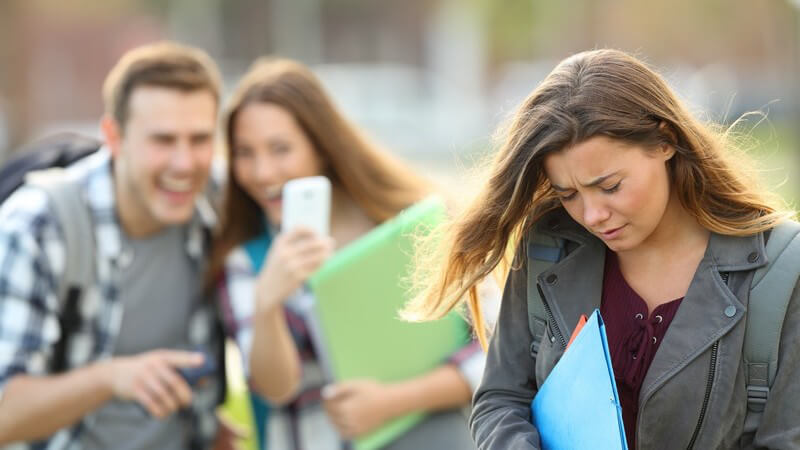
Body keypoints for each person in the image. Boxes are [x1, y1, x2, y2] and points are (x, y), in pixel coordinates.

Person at [403, 49, 800, 449]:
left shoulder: (784, 270)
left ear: (665, 140)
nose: (592, 214)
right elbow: (502, 398)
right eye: (569, 194)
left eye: (610, 187)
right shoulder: (547, 247)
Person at [207, 58, 484, 450]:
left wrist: (388, 403)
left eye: (280, 149)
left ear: (321, 147)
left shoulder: (408, 226)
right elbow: (274, 388)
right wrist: (268, 302)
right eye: (244, 153)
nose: (262, 171)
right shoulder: (246, 260)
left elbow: (490, 355)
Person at [0, 42, 232, 449]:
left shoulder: (219, 205)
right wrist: (110, 378)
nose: (185, 163)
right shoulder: (39, 227)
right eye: (163, 140)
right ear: (114, 136)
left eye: (199, 139)